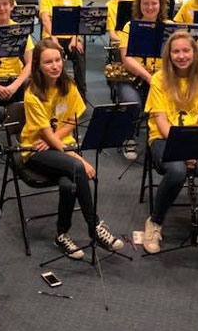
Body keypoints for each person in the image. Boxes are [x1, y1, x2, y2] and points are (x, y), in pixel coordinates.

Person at [21, 39, 123, 258]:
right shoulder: (32, 94)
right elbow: (46, 136)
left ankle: (61, 234)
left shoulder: (68, 86)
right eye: (48, 62)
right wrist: (80, 159)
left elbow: (71, 121)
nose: (55, 66)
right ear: (38, 65)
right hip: (35, 152)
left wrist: (55, 141)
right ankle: (95, 226)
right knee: (77, 169)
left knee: (69, 185)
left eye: (58, 60)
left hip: (58, 147)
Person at [142, 32, 198, 254]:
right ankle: (154, 222)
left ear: (195, 53)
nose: (181, 56)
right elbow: (161, 122)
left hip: (197, 139)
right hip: (163, 138)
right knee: (176, 171)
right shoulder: (158, 79)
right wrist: (183, 151)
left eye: (186, 50)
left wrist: (194, 149)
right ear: (169, 55)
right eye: (176, 51)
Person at [118, 0, 171, 159]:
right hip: (134, 78)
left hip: (163, 79)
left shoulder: (171, 27)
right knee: (132, 103)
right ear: (139, 6)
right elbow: (126, 58)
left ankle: (160, 140)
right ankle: (128, 139)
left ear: (160, 5)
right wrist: (149, 77)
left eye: (154, 3)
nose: (149, 7)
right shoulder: (130, 26)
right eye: (145, 4)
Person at [39, 0, 86, 95]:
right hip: (51, 36)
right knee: (48, 56)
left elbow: (78, 20)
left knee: (79, 54)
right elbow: (46, 19)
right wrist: (54, 38)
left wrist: (75, 39)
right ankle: (48, 90)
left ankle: (81, 93)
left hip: (71, 37)